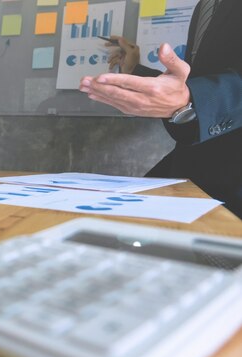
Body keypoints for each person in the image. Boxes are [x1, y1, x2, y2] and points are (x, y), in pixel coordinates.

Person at [79, 0, 241, 218]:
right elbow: (201, 81)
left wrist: (192, 99)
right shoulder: (205, 6)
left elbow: (199, 93)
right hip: (193, 175)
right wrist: (134, 70)